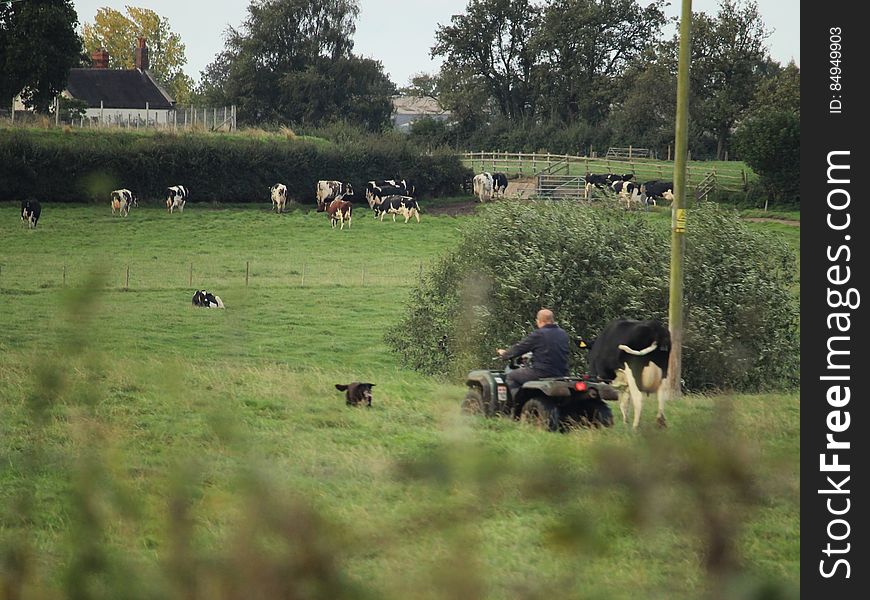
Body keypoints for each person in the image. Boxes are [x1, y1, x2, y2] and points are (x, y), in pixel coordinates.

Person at [497, 308, 570, 401]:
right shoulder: (563, 333)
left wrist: (505, 354)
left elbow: (520, 348)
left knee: (512, 376)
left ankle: (519, 404)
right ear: (552, 320)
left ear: (539, 321)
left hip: (543, 372)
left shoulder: (539, 334)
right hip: (562, 373)